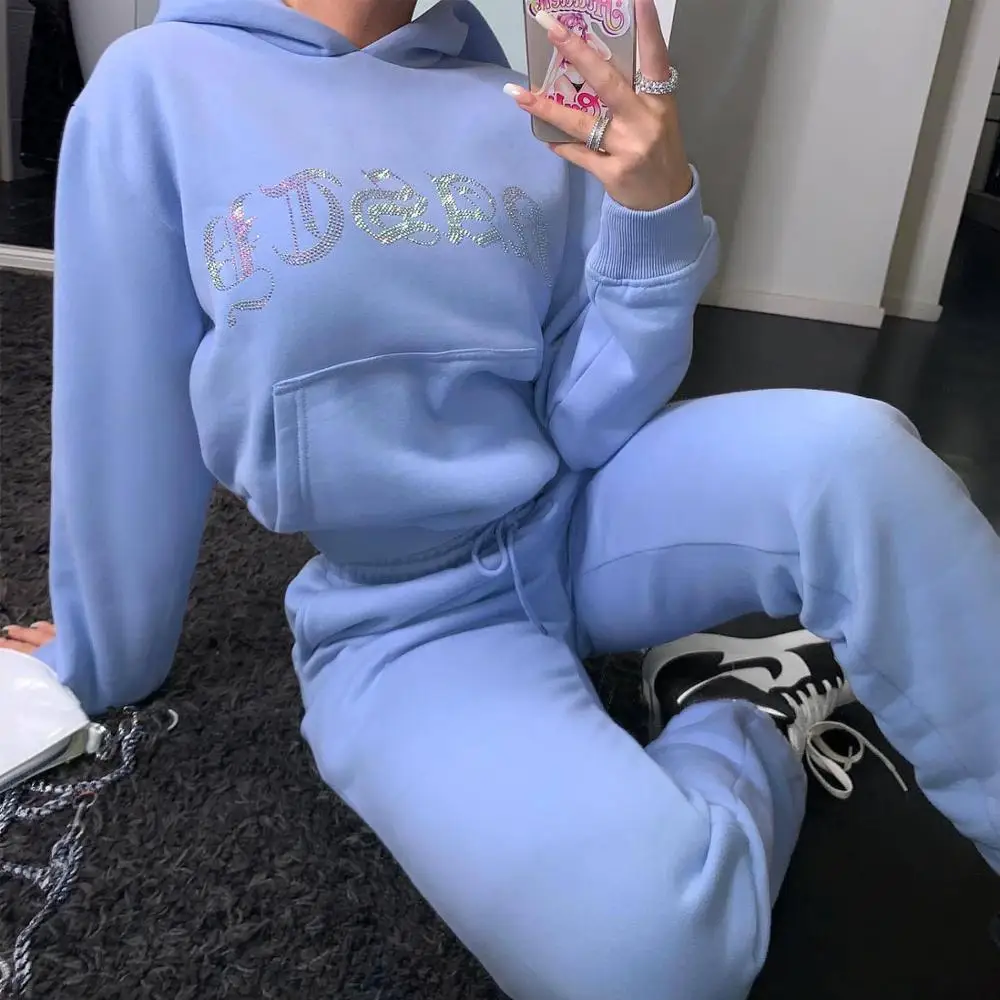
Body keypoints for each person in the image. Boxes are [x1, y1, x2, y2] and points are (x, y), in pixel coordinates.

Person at [2, 0, 999, 997]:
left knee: (856, 458)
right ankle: (739, 712)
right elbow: (121, 402)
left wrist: (653, 212)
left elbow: (584, 417)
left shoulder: (515, 100)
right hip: (411, 612)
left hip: (582, 518)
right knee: (647, 964)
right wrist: (99, 656)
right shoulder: (156, 88)